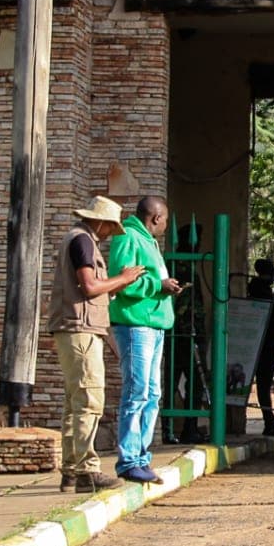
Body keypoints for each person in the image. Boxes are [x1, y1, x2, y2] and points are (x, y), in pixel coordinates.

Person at [48, 195, 145, 492]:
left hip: (77, 328)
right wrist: (123, 279)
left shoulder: (78, 239)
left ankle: (71, 471)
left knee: (75, 401)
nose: (108, 235)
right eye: (109, 228)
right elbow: (89, 287)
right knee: (90, 401)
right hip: (79, 329)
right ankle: (87, 470)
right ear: (100, 221)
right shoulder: (83, 241)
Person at [108, 195, 183, 483]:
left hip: (153, 324)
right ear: (155, 218)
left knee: (152, 394)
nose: (165, 226)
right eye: (164, 220)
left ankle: (141, 456)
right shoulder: (129, 238)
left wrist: (165, 287)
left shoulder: (148, 241)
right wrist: (157, 284)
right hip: (136, 325)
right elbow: (122, 280)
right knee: (136, 391)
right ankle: (128, 460)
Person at [246, 259, 274, 437]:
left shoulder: (263, 290)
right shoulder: (259, 289)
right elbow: (266, 311)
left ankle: (269, 422)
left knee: (263, 386)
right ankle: (269, 422)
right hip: (264, 345)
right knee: (263, 385)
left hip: (267, 343)